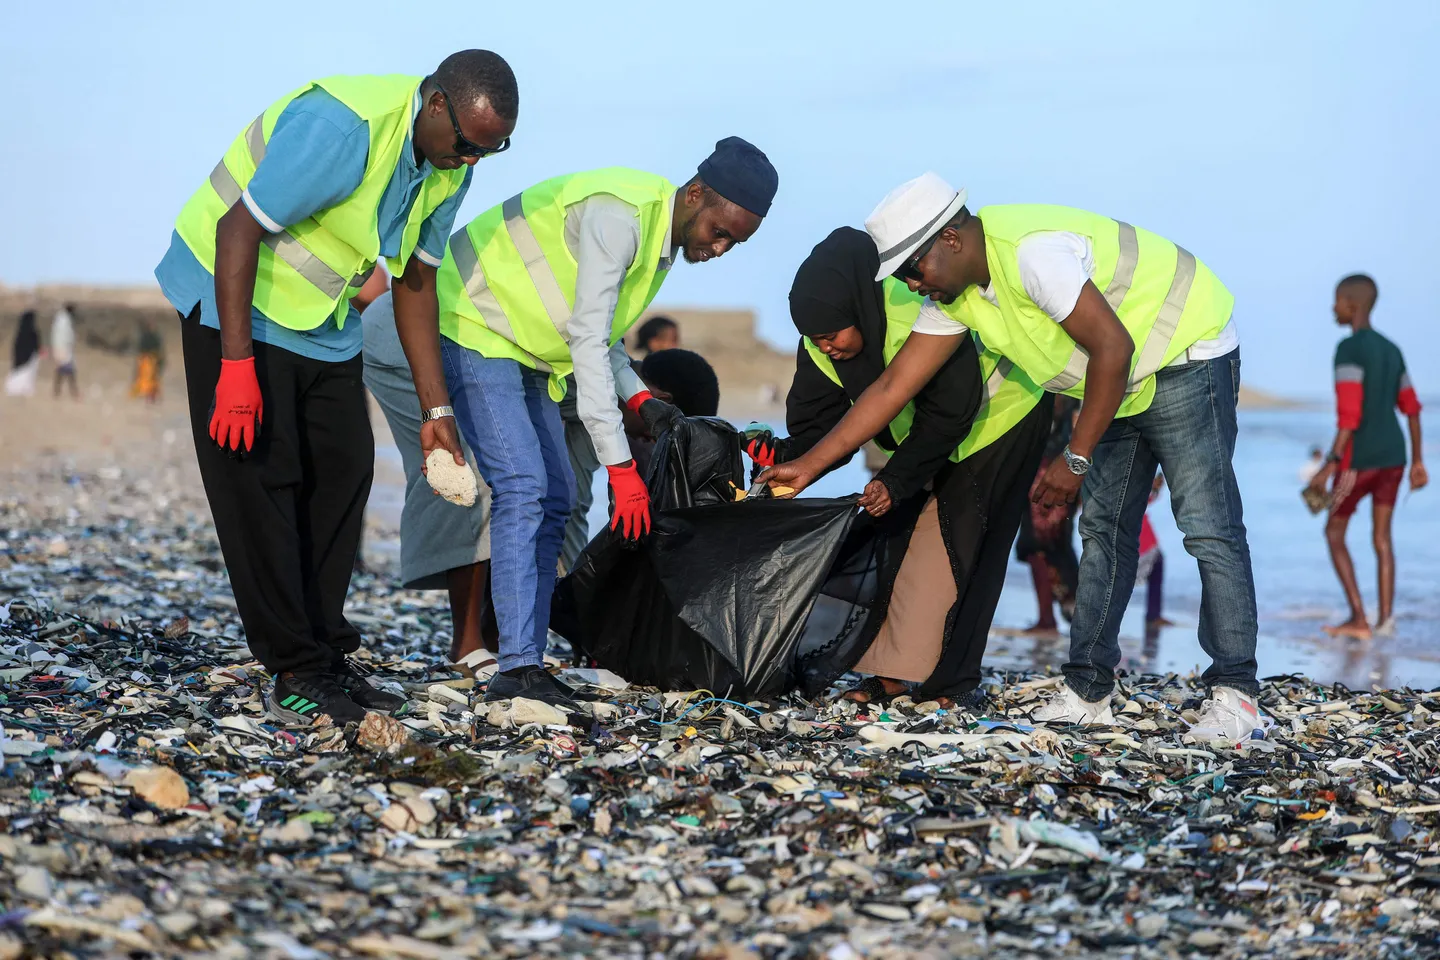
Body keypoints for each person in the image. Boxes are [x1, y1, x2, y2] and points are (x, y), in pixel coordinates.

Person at [761, 174, 1263, 742]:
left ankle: (1235, 695)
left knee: (1206, 528)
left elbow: (1113, 346)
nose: (909, 286)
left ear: (950, 239)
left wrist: (1074, 459)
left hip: (1184, 352)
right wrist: (808, 466)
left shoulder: (1032, 256)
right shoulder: (956, 296)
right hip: (1116, 381)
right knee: (1103, 529)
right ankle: (1089, 690)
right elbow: (891, 389)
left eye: (911, 271)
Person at [154, 51, 518, 726]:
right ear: (435, 104)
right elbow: (238, 227)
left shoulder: (448, 165)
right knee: (262, 479)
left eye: (489, 153)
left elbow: (414, 281)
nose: (472, 162)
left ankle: (323, 652)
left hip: (319, 318)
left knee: (344, 470)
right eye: (467, 145)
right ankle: (294, 666)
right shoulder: (345, 126)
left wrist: (437, 410)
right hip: (229, 293)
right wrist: (235, 370)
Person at [426, 139, 777, 708]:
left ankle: (527, 657)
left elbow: (603, 334)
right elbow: (588, 340)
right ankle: (515, 668)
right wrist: (620, 468)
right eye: (720, 231)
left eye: (734, 242)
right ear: (694, 195)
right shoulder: (620, 217)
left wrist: (642, 400)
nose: (720, 248)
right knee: (522, 487)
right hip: (474, 319)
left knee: (558, 495)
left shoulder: (661, 244)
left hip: (532, 348)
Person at [747, 227, 1047, 710]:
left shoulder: (912, 312)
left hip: (1001, 414)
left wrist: (897, 478)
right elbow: (820, 434)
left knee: (960, 549)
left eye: (831, 335)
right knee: (902, 545)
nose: (826, 347)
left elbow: (950, 412)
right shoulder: (822, 347)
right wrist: (783, 461)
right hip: (929, 440)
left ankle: (945, 682)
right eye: (815, 339)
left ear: (856, 308)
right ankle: (894, 673)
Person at [362, 288, 499, 671]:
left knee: (548, 478)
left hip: (473, 334)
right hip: (406, 332)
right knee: (460, 468)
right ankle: (467, 644)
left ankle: (498, 631)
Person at [1307, 274, 1426, 639]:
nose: (1333, 308)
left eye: (1337, 300)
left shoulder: (1349, 348)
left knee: (1333, 531)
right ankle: (1385, 622)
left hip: (1359, 459)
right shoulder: (1391, 349)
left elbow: (1349, 414)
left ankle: (1360, 618)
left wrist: (1329, 463)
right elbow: (1411, 408)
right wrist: (1418, 461)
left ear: (1352, 304)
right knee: (1382, 539)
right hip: (1395, 457)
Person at [560, 313, 684, 568]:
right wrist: (623, 472)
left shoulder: (601, 413)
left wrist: (571, 588)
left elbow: (574, 506)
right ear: (663, 400)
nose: (644, 440)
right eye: (651, 436)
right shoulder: (580, 373)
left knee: (567, 502)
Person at [1015, 396, 1080, 635]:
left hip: (1050, 472)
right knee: (1048, 545)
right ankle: (1059, 614)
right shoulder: (1077, 389)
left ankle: (1051, 617)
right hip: (1059, 471)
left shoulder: (1061, 390)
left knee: (1042, 545)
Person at [6, 310, 41, 397]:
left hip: (20, 357)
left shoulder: (20, 332)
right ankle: (24, 389)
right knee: (27, 373)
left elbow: (16, 346)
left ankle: (15, 388)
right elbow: (36, 345)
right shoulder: (33, 332)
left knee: (19, 372)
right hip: (30, 357)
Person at [132, 318, 165, 402]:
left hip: (151, 360)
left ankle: (150, 396)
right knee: (147, 379)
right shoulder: (148, 337)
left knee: (151, 380)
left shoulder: (152, 337)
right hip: (148, 360)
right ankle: (148, 396)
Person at [51, 304, 78, 400]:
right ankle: (73, 391)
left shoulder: (62, 319)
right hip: (63, 348)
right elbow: (63, 336)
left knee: (63, 370)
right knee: (68, 371)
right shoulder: (64, 321)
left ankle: (57, 391)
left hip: (63, 348)